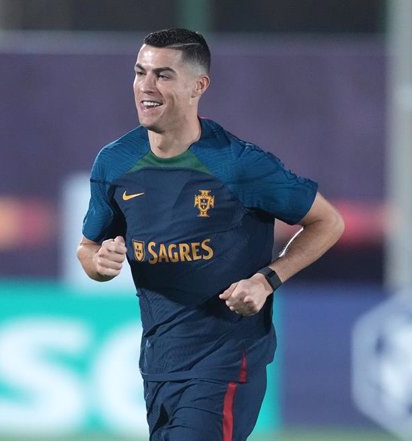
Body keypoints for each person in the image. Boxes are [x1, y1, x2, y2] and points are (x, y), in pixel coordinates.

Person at [77, 28, 344, 441]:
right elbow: (88, 249)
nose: (146, 86)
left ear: (198, 86)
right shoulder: (115, 163)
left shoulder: (240, 165)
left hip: (226, 362)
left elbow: (328, 222)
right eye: (139, 72)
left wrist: (267, 279)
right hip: (160, 365)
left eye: (163, 75)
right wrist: (98, 264)